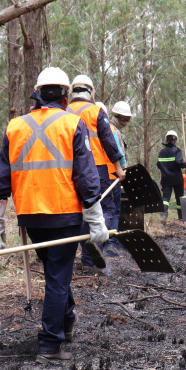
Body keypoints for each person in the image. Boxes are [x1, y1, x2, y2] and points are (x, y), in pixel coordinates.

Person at [0, 67, 108, 363]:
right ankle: (49, 344)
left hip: (30, 217)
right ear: (65, 95)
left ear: (37, 93)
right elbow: (86, 176)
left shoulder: (15, 126)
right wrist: (96, 220)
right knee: (58, 278)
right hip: (64, 215)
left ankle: (66, 322)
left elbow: (0, 178)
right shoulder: (73, 123)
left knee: (56, 273)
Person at [67, 75, 125, 269]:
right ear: (91, 92)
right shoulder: (96, 111)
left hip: (69, 169)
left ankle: (84, 256)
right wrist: (118, 168)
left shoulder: (63, 111)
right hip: (97, 168)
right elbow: (109, 141)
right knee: (106, 209)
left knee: (82, 211)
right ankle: (91, 252)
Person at [108, 101, 132, 241]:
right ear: (115, 116)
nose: (125, 121)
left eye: (127, 118)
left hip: (111, 175)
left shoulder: (112, 130)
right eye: (123, 118)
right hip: (113, 175)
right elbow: (119, 155)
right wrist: (122, 170)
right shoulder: (113, 131)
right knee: (114, 210)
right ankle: (112, 241)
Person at [157, 130, 186, 219]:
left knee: (166, 197)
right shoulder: (177, 151)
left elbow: (158, 165)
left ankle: (163, 215)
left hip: (165, 179)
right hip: (177, 179)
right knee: (179, 197)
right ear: (175, 140)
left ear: (167, 140)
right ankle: (181, 217)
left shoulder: (161, 152)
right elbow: (179, 162)